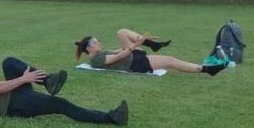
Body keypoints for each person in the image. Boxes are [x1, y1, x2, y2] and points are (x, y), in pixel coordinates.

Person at [0, 57, 129, 125]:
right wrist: (24, 79)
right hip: (13, 105)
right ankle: (110, 118)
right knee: (61, 104)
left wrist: (23, 76)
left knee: (9, 62)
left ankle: (49, 81)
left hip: (16, 95)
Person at [76, 29, 227, 76]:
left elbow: (117, 51)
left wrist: (140, 41)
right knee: (170, 60)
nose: (99, 43)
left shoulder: (99, 53)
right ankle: (206, 69)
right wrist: (135, 45)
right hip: (135, 63)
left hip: (133, 56)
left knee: (121, 32)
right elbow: (118, 57)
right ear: (89, 48)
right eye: (96, 43)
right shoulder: (95, 60)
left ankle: (152, 44)